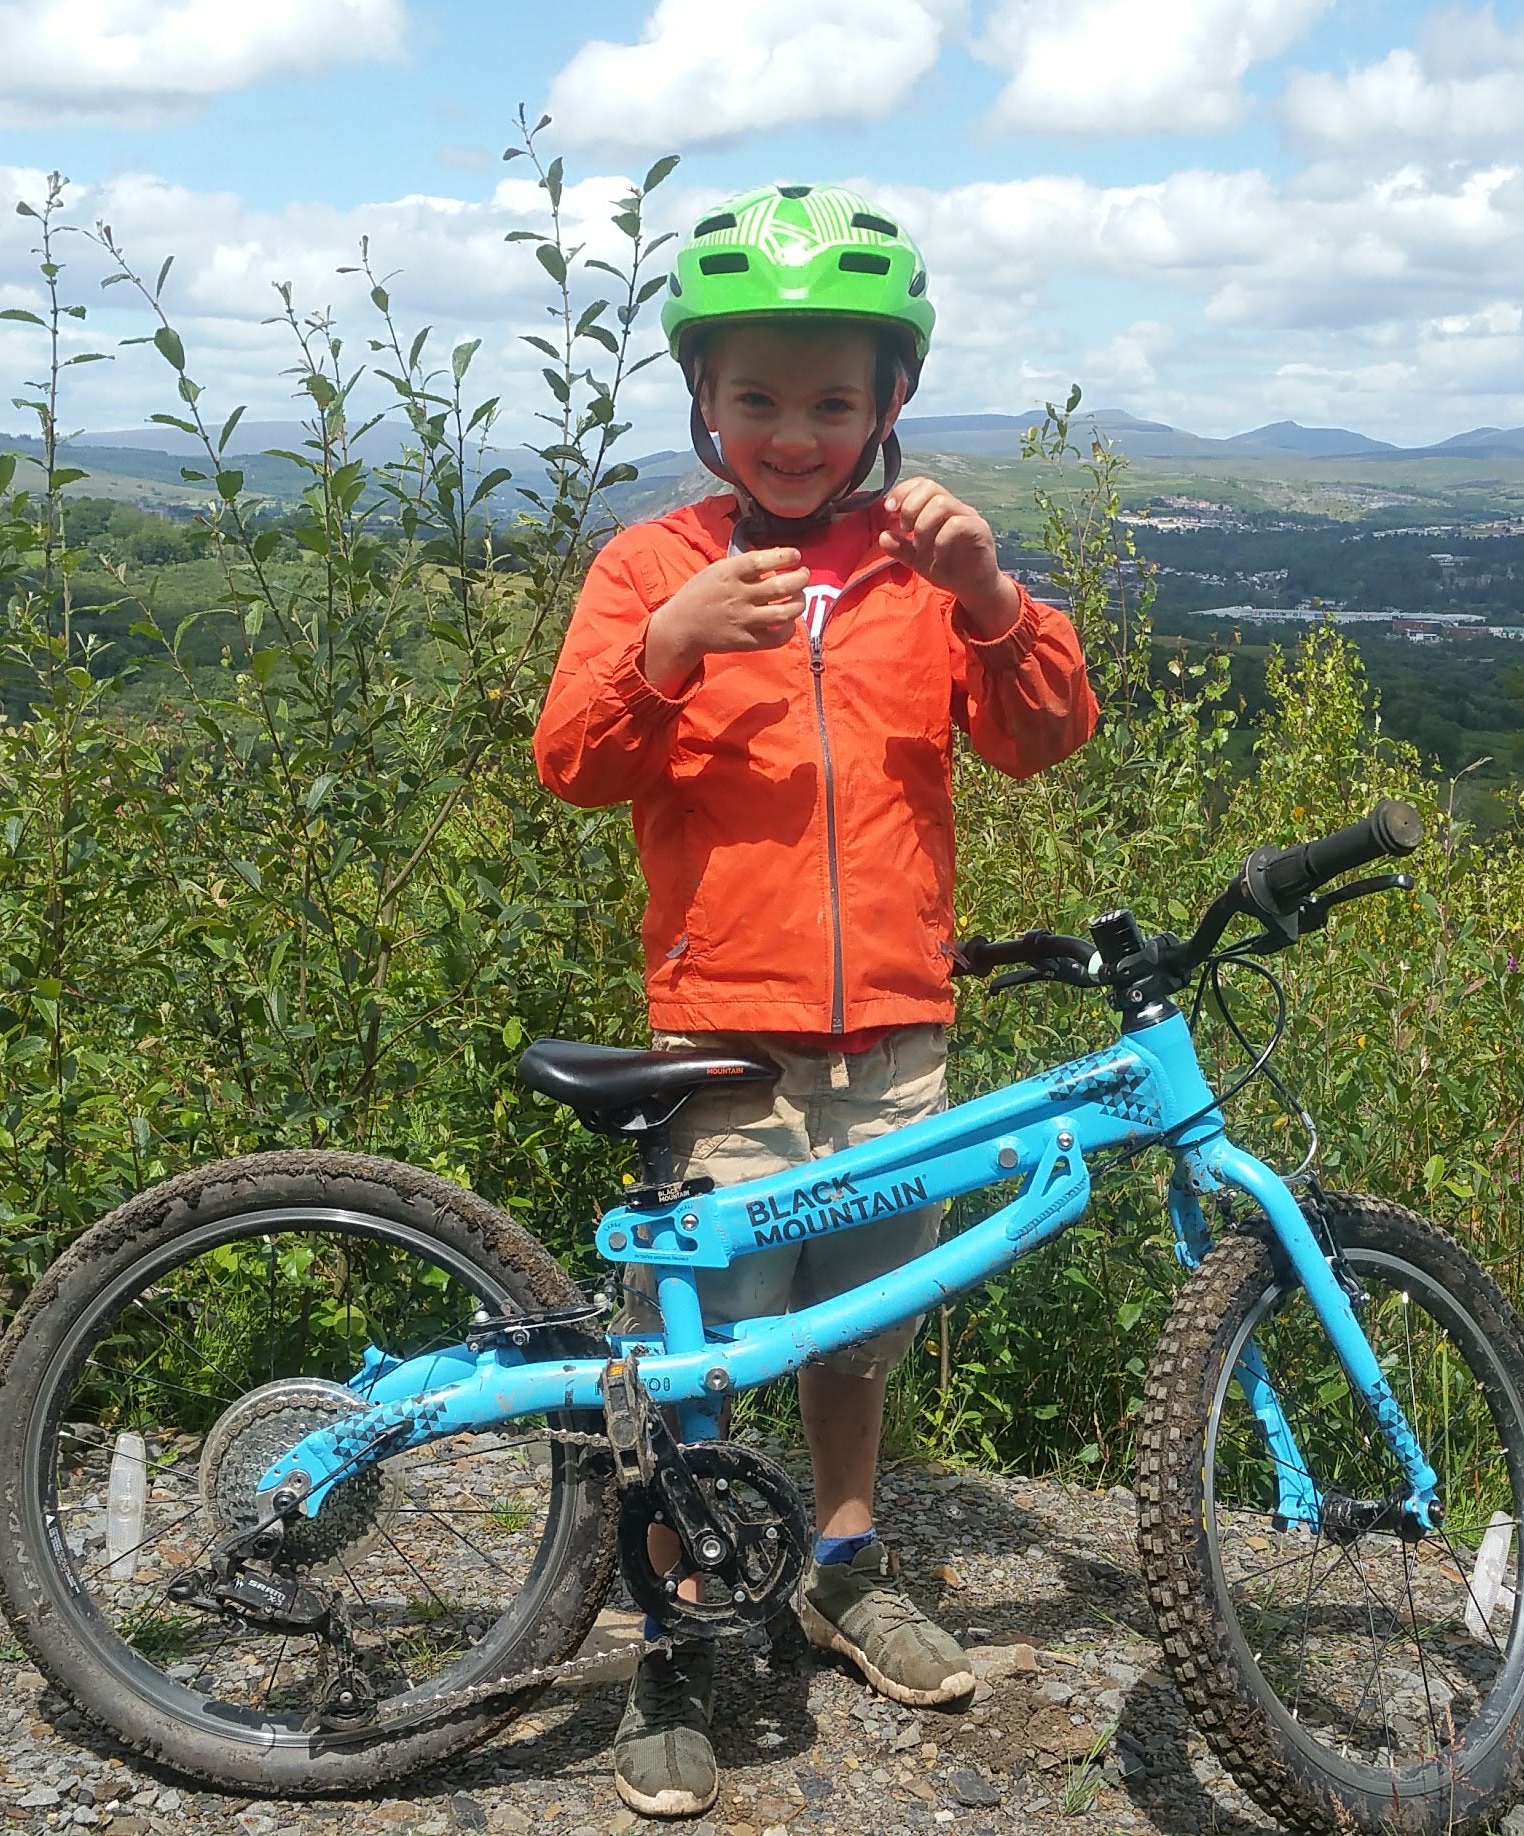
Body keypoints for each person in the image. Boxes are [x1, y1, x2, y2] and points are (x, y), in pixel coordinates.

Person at [533, 182, 1099, 1818]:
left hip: (897, 1043)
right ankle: (674, 1636)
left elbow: (1043, 736)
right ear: (703, 403)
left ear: (889, 405)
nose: (793, 429)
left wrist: (993, 592)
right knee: (694, 1365)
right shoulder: (653, 564)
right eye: (758, 397)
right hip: (722, 1048)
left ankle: (846, 1565)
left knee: (859, 1337)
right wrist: (671, 649)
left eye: (831, 400)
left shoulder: (925, 573)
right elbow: (570, 762)